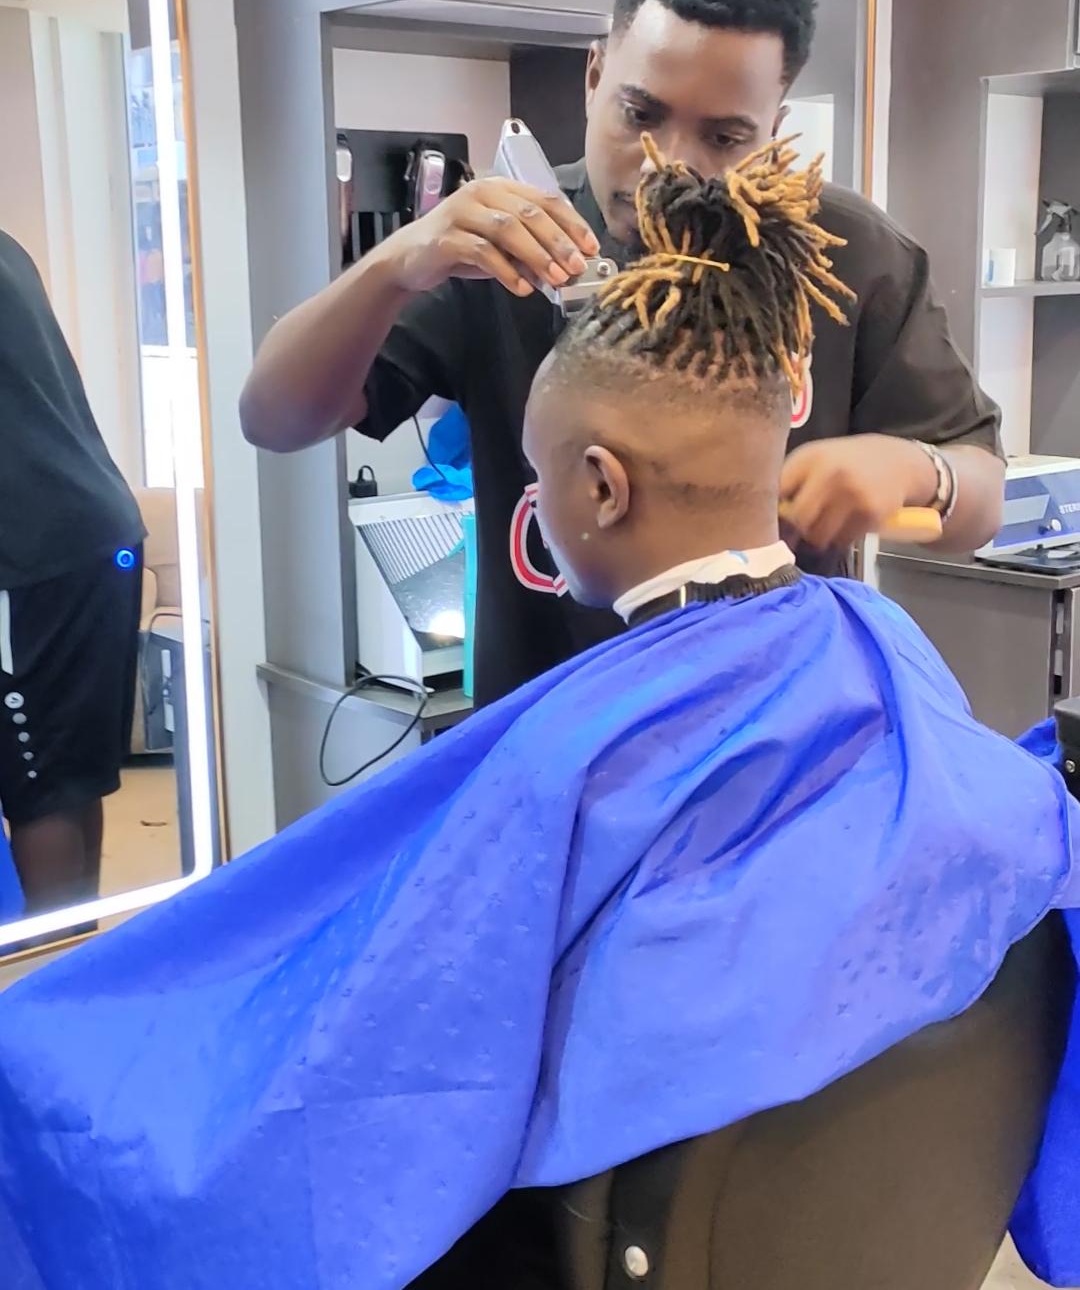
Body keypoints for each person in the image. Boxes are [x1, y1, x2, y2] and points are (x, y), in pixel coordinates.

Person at [0, 143, 1074, 1290]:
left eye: (538, 474)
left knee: (65, 1072)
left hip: (581, 1240)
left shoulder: (568, 761)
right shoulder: (883, 658)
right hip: (816, 1226)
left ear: (601, 488)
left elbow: (379, 1074)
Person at [240, 0, 1005, 707]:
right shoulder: (498, 243)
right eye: (641, 114)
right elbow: (273, 417)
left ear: (773, 129)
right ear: (594, 76)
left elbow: (979, 501)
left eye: (724, 135)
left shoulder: (847, 255)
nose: (668, 165)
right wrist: (394, 263)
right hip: (552, 737)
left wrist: (920, 472)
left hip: (773, 737)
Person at [0, 231, 145, 910]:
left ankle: (47, 982)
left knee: (41, 789)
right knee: (67, 780)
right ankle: (68, 965)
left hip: (32, 548)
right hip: (96, 530)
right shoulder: (7, 247)